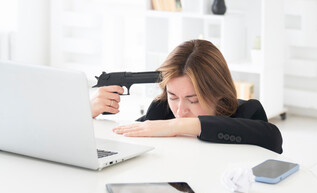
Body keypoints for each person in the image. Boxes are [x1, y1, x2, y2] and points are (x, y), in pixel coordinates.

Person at [91, 40, 283, 154]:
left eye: (193, 100)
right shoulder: (162, 109)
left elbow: (272, 138)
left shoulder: (248, 112)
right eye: (173, 96)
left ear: (218, 93)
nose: (180, 111)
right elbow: (129, 137)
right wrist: (89, 112)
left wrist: (179, 126)